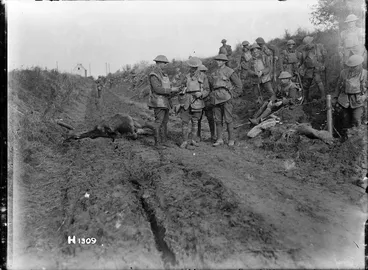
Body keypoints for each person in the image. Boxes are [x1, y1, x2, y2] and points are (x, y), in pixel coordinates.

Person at [209, 54, 242, 147]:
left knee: (228, 119)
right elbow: (211, 86)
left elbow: (239, 86)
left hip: (226, 98)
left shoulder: (230, 71)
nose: (218, 62)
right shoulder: (214, 72)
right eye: (217, 60)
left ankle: (231, 139)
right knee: (218, 120)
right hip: (216, 98)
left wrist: (232, 95)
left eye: (220, 60)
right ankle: (219, 139)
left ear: (224, 62)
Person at [147, 55, 180, 146]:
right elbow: (157, 89)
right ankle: (157, 143)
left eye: (166, 63)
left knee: (165, 122)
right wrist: (172, 90)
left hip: (165, 102)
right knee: (158, 122)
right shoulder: (154, 75)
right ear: (158, 63)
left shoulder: (164, 74)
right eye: (164, 63)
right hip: (158, 102)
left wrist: (175, 91)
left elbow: (166, 88)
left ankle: (164, 141)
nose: (165, 65)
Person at [177, 57, 210, 149]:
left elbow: (207, 90)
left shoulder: (203, 77)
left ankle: (193, 140)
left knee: (195, 122)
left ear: (198, 67)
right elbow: (180, 87)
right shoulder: (186, 76)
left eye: (195, 67)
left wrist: (201, 93)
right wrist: (182, 90)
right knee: (185, 122)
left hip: (198, 101)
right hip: (186, 101)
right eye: (191, 67)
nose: (193, 69)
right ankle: (184, 141)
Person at [332, 55, 367, 130]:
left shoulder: (365, 74)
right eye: (350, 66)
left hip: (358, 100)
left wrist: (364, 96)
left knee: (357, 119)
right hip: (344, 100)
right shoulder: (343, 73)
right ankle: (346, 137)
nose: (351, 68)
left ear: (359, 65)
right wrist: (335, 97)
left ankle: (356, 137)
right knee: (345, 120)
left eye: (354, 66)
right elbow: (338, 86)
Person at [299, 36, 327, 101]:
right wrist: (300, 68)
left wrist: (324, 64)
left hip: (317, 67)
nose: (307, 46)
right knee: (306, 84)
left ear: (311, 42)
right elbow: (301, 61)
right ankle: (306, 99)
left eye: (308, 44)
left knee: (318, 81)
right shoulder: (304, 51)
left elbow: (325, 56)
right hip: (308, 69)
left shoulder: (319, 47)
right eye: (306, 45)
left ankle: (323, 97)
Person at [197, 64, 216, 142]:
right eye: (201, 71)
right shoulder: (196, 79)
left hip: (207, 101)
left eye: (203, 71)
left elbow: (212, 89)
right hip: (198, 101)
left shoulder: (209, 78)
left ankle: (213, 136)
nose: (202, 72)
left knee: (210, 118)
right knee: (198, 118)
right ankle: (198, 136)